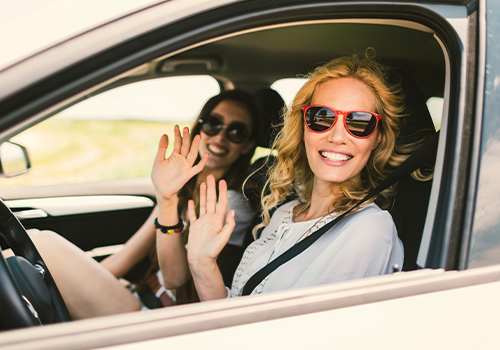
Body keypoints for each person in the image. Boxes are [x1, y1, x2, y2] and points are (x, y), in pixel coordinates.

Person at [158, 53, 425, 301]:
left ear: (377, 138)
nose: (337, 136)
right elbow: (235, 313)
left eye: (359, 122)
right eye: (322, 117)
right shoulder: (285, 212)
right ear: (303, 128)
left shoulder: (368, 229)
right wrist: (202, 263)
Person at [27, 89, 259, 319]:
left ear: (248, 145)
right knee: (33, 258)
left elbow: (174, 278)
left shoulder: (232, 203)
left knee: (42, 241)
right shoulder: (184, 186)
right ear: (201, 127)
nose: (220, 137)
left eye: (236, 132)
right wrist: (82, 284)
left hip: (157, 317)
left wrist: (168, 200)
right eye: (213, 124)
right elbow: (126, 257)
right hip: (139, 296)